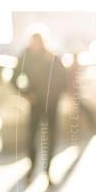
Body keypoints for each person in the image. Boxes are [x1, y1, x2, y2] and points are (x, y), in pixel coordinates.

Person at [13, 32, 68, 181]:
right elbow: (14, 78)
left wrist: (55, 94)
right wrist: (26, 94)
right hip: (35, 103)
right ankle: (32, 166)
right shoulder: (26, 57)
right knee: (31, 137)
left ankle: (47, 169)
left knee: (51, 137)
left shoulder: (51, 57)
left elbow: (65, 79)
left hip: (51, 104)